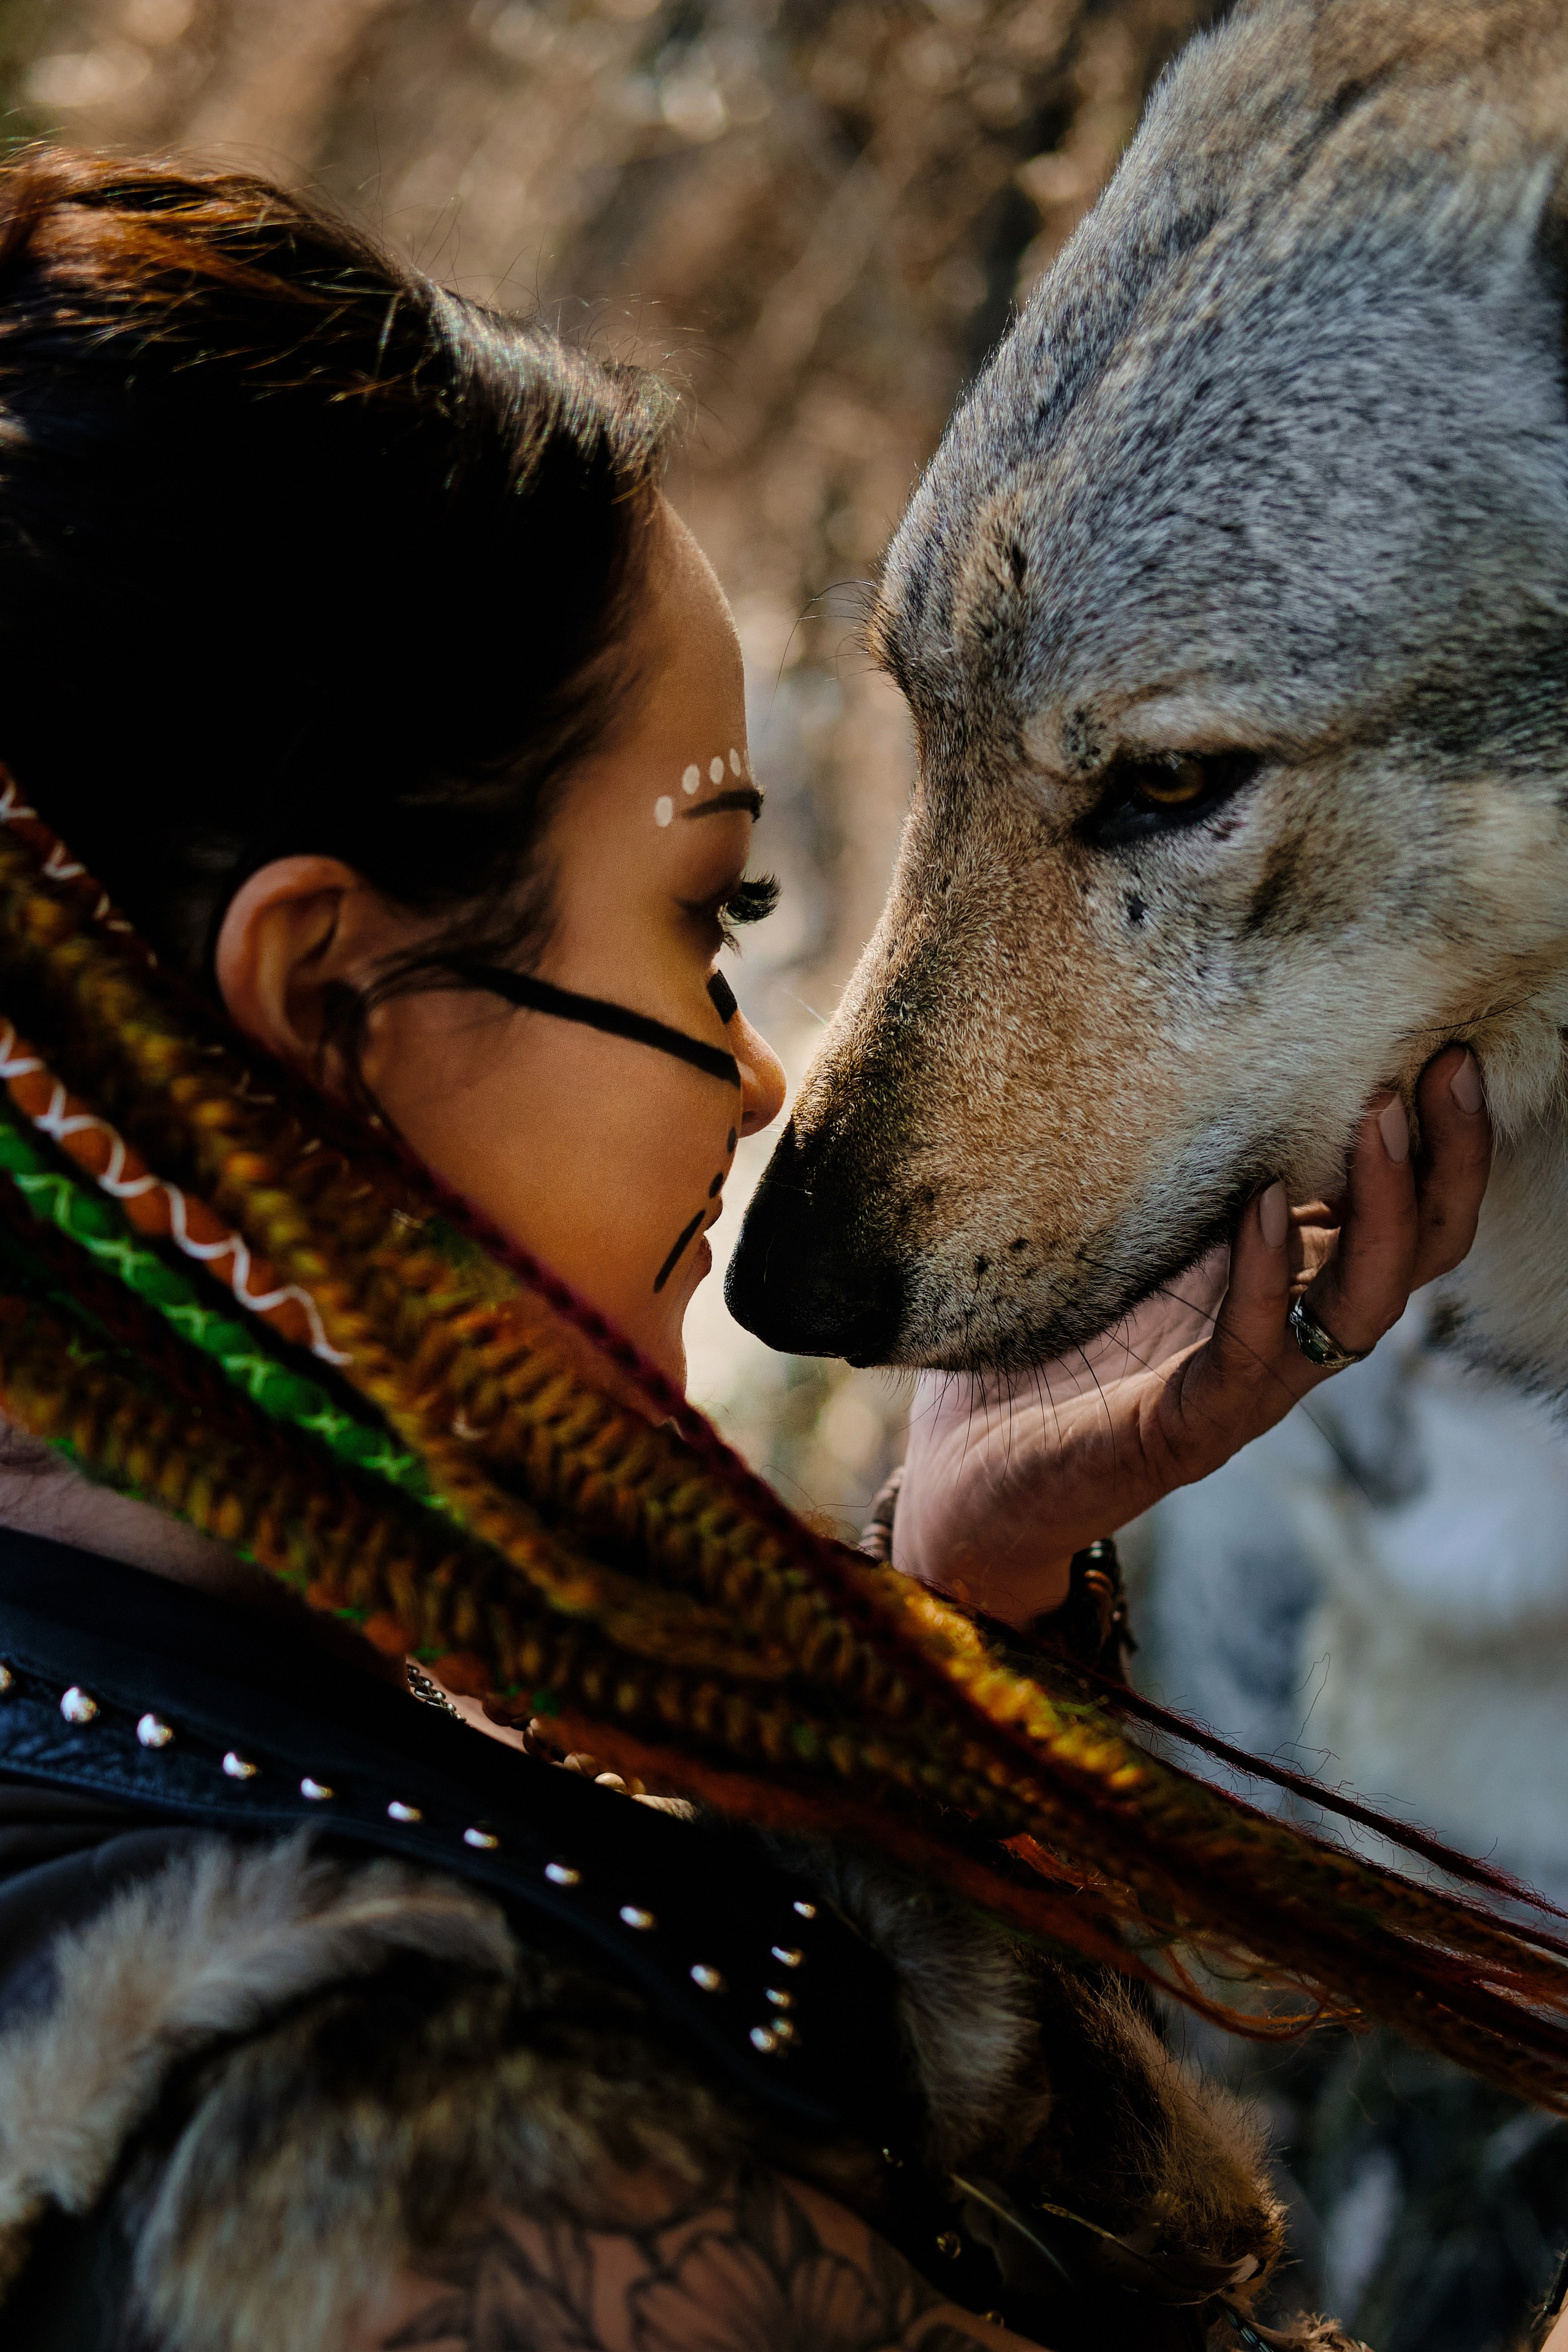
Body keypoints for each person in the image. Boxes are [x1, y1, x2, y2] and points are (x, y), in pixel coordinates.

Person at [0, 145, 1553, 2352]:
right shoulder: (398, 2201)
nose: (758, 1087)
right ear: (332, 1008)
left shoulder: (136, 1728)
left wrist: (962, 1595)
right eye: (706, 921)